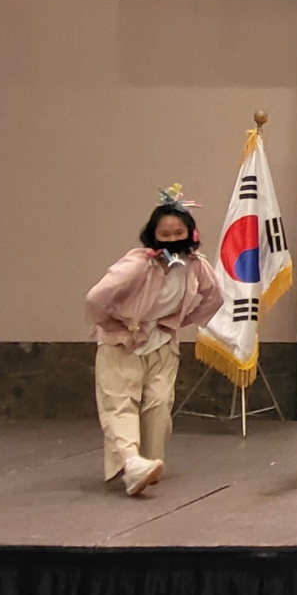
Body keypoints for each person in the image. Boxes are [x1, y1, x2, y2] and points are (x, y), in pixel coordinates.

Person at [85, 185, 223, 496]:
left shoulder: (196, 265)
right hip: (122, 342)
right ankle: (131, 463)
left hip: (161, 343)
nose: (173, 239)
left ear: (190, 233)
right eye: (165, 234)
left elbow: (214, 298)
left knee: (160, 403)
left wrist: (176, 321)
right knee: (120, 404)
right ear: (153, 235)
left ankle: (150, 463)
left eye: (179, 232)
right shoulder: (138, 263)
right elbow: (95, 298)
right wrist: (112, 323)